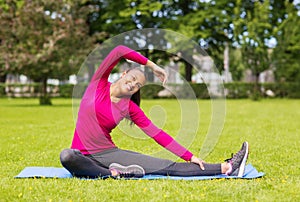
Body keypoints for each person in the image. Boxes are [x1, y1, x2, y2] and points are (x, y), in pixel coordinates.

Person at [60, 45, 249, 179]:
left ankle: (227, 167)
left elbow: (157, 134)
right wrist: (152, 66)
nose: (133, 84)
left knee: (166, 167)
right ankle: (113, 173)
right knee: (67, 156)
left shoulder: (129, 107)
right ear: (124, 74)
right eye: (133, 78)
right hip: (81, 156)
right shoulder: (98, 83)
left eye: (138, 85)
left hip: (107, 153)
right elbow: (118, 50)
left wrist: (189, 156)